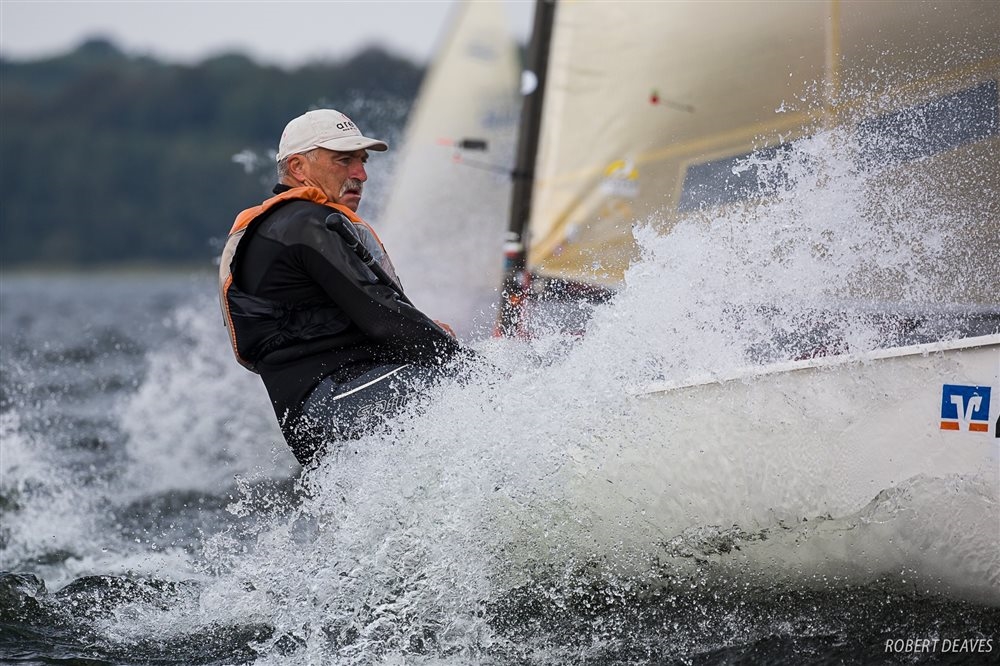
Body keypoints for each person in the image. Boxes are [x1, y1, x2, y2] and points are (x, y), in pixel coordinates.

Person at [218, 109, 464, 464]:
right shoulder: (304, 225)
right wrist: (470, 367)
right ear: (298, 167)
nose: (361, 174)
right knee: (466, 385)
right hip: (329, 403)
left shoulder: (292, 225)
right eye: (344, 160)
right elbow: (384, 320)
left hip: (326, 408)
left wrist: (430, 339)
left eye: (362, 161)